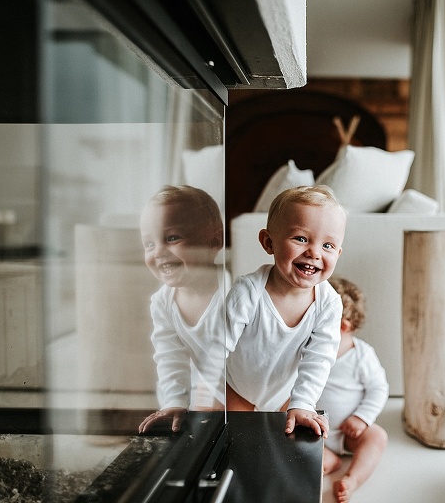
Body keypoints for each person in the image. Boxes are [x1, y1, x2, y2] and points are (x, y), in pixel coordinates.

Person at [225, 185, 347, 438]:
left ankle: (326, 458)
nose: (314, 252)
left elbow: (319, 359)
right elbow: (216, 344)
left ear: (338, 253)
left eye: (328, 245)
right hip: (237, 389)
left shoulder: (329, 303)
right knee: (236, 441)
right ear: (269, 242)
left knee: (285, 444)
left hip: (286, 394)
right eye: (301, 239)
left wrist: (302, 403)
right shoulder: (248, 292)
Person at [138, 185, 227, 434]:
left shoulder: (233, 292)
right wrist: (175, 401)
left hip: (239, 390)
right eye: (149, 243)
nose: (158, 252)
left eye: (172, 238)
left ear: (214, 241)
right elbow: (170, 357)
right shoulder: (163, 302)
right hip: (197, 390)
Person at [318, 276, 389, 503]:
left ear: (342, 326)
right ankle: (325, 459)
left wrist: (362, 417)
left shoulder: (362, 355)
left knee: (377, 436)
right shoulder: (309, 349)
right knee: (281, 437)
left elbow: (378, 389)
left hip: (349, 432)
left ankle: (352, 479)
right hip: (312, 430)